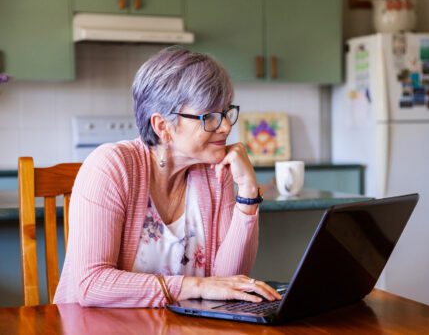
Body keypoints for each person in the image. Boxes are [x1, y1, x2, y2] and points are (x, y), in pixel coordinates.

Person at [54, 47, 281, 307]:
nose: (227, 126)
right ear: (163, 126)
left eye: (226, 112)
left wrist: (248, 191)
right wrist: (192, 286)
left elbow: (228, 283)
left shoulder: (214, 172)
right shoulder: (110, 167)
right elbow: (91, 285)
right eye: (209, 117)